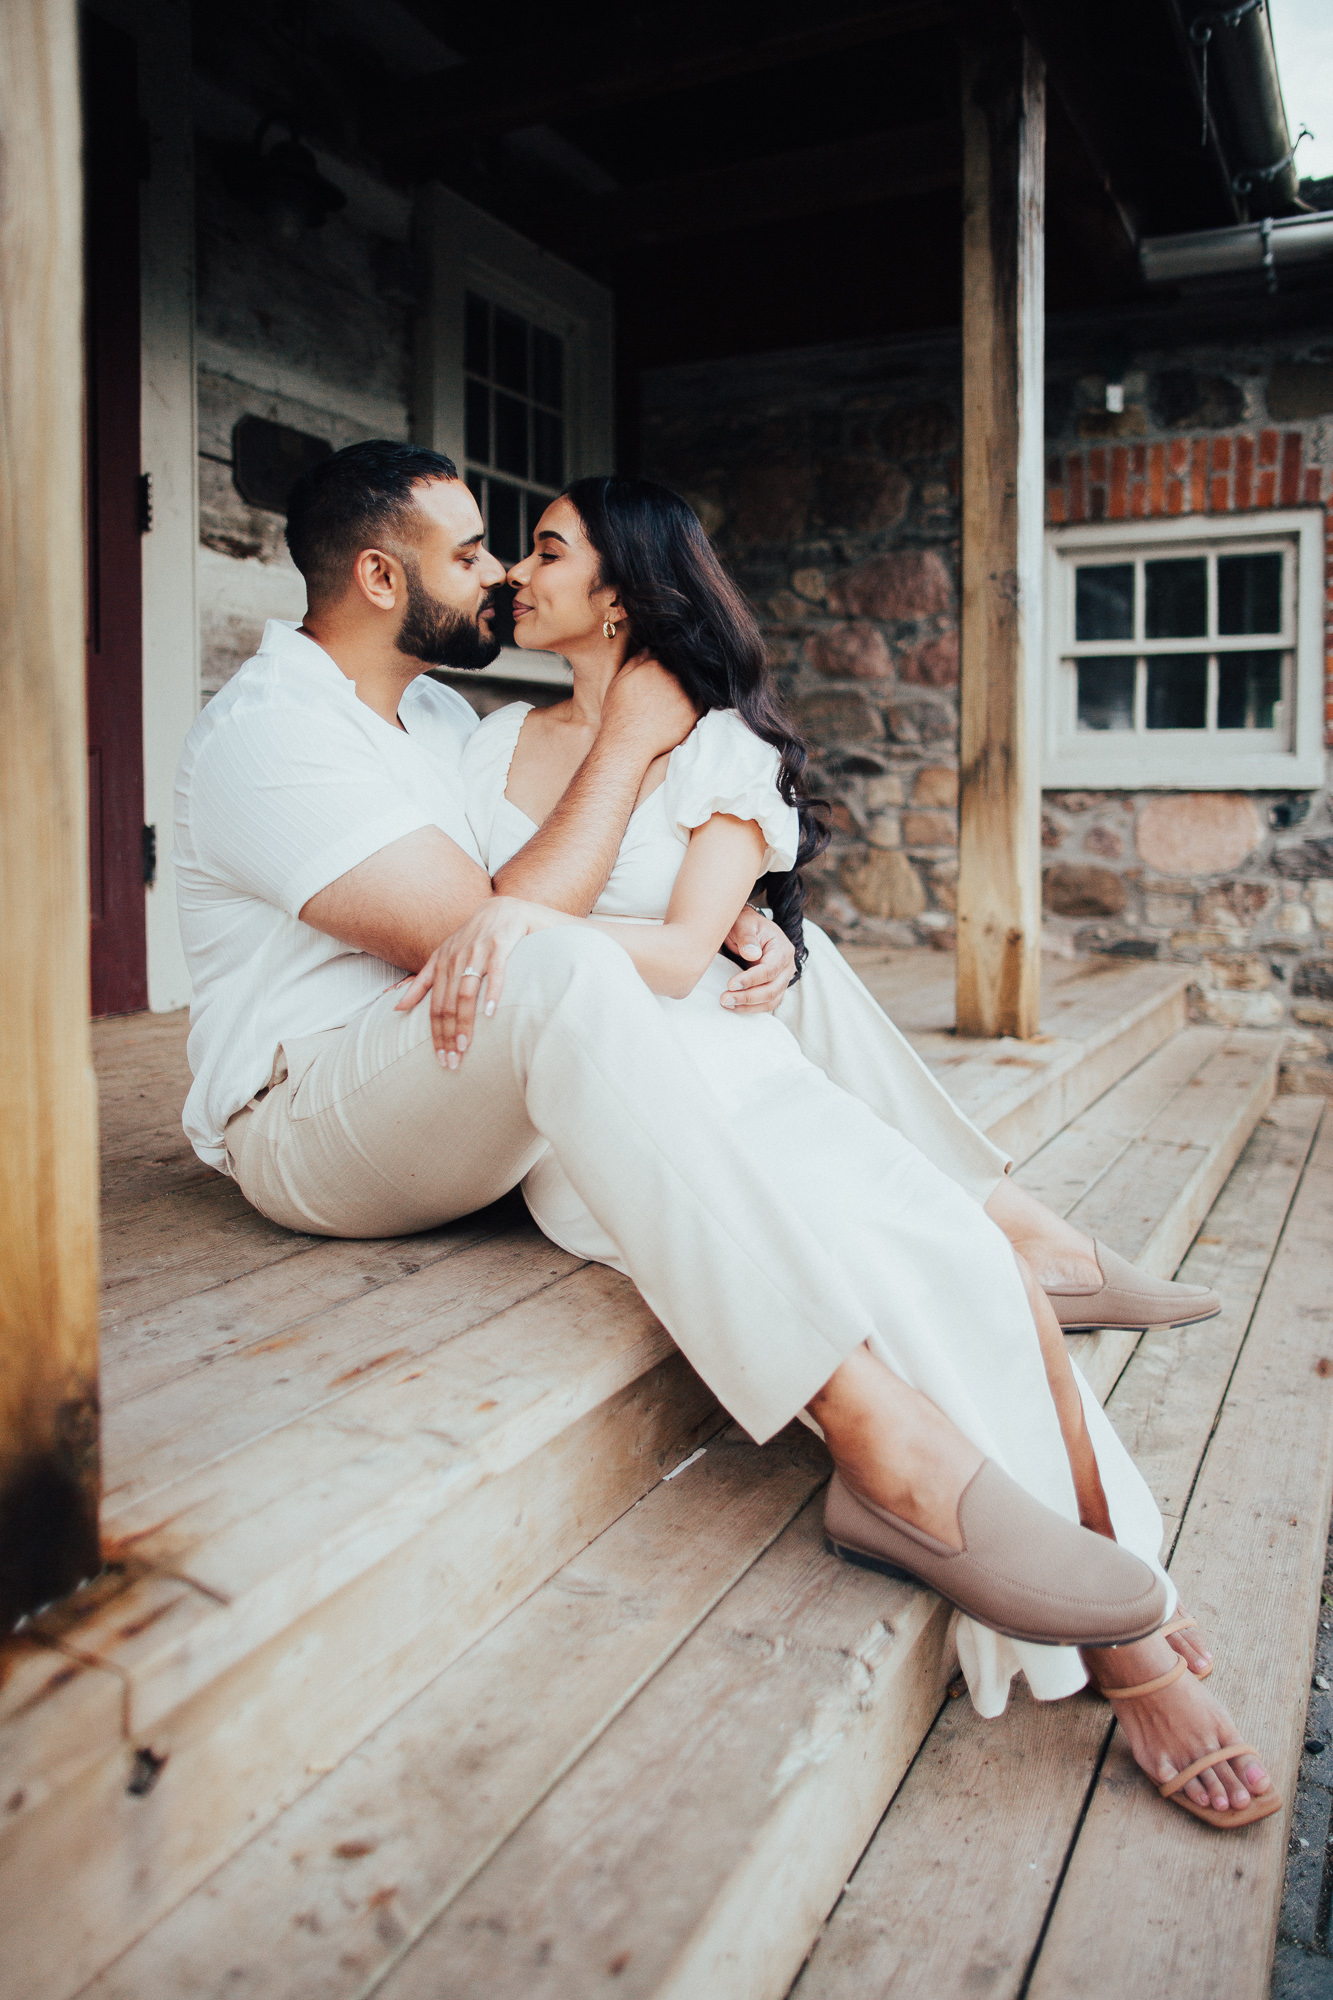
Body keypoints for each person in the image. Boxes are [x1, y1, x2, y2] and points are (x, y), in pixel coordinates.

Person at [174, 442, 1274, 1829]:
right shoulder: (277, 731)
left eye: (522, 551)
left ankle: (1018, 1283)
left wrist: (732, 923)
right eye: (472, 556)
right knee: (574, 966)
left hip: (467, 1096)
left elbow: (545, 918)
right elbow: (496, 933)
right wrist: (667, 877)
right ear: (382, 576)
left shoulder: (441, 726)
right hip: (314, 1118)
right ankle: (882, 1444)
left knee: (869, 1153)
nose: (503, 573)